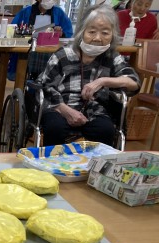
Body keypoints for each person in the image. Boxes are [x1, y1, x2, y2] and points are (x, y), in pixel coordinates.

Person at [38, 4, 140, 146]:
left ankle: (96, 161)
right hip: (60, 106)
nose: (97, 38)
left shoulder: (111, 57)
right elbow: (46, 86)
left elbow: (134, 82)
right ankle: (53, 160)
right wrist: (65, 110)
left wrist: (103, 81)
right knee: (55, 128)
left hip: (95, 109)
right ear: (82, 32)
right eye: (92, 32)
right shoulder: (63, 55)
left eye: (105, 33)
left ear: (113, 36)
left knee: (105, 130)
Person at [7, 0, 74, 81]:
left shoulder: (59, 12)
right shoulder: (26, 12)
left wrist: (61, 33)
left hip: (50, 53)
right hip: (28, 51)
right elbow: (12, 29)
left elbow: (68, 32)